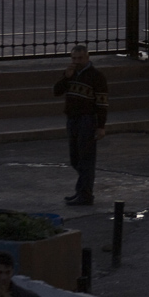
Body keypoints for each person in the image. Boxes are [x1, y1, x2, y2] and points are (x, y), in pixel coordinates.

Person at [55, 45, 108, 206]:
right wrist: (66, 77)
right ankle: (81, 190)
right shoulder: (70, 74)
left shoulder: (96, 76)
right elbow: (56, 91)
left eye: (80, 58)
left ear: (87, 58)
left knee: (86, 158)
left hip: (87, 119)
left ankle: (85, 194)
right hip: (72, 118)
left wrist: (101, 126)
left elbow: (102, 103)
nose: (76, 61)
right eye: (74, 58)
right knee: (75, 158)